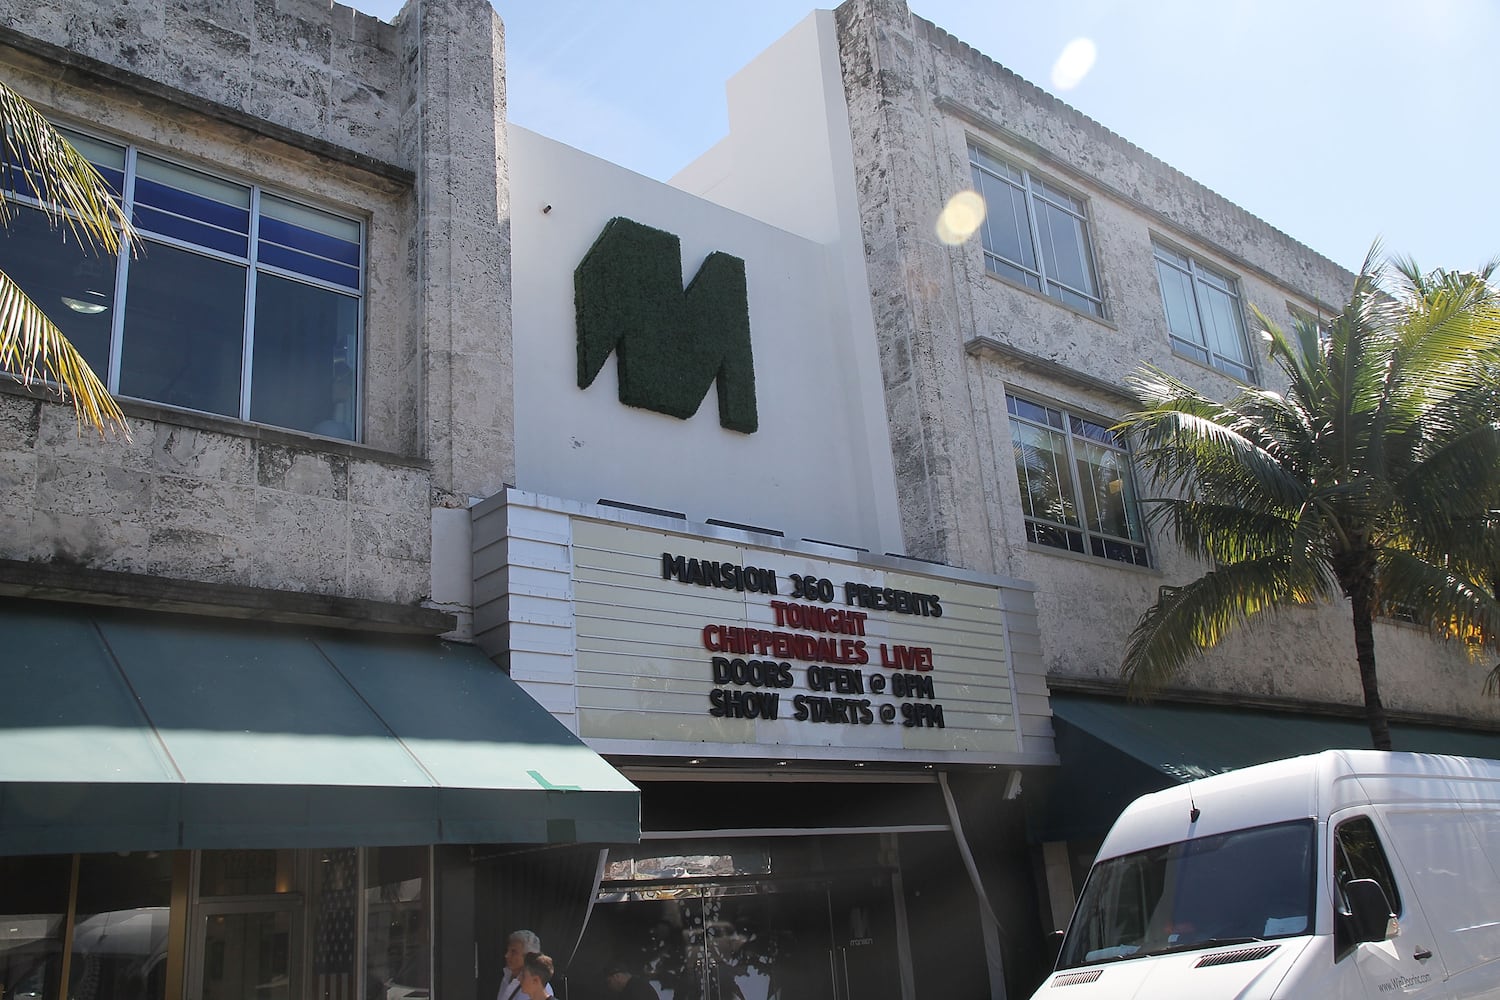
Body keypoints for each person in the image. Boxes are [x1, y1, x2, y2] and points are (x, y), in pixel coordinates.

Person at [497, 931, 552, 1000]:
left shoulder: (540, 987)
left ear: (529, 956)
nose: (507, 955)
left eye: (513, 952)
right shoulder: (507, 975)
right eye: (507, 950)